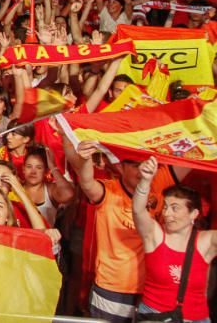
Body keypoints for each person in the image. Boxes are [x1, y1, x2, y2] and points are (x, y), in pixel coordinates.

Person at [65, 138, 177, 322]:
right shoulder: (108, 191)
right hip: (112, 288)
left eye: (146, 164)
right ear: (121, 167)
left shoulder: (157, 182)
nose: (142, 171)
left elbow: (189, 158)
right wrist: (85, 159)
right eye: (135, 166)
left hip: (150, 290)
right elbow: (87, 183)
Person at [133, 157, 216, 322]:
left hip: (196, 318)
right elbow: (138, 211)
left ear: (194, 214)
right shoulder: (155, 235)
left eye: (175, 208)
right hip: (155, 316)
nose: (167, 214)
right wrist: (145, 181)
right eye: (165, 207)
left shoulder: (207, 240)